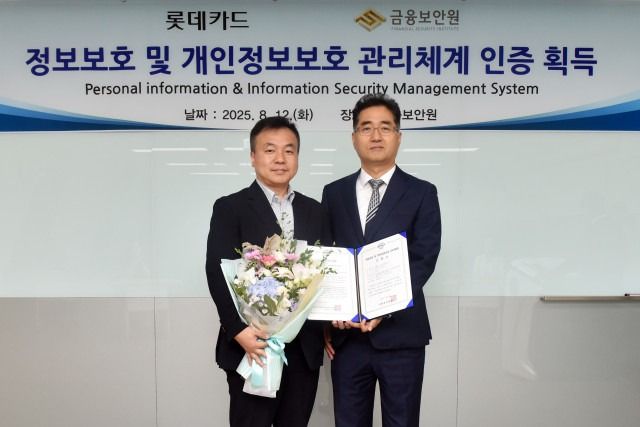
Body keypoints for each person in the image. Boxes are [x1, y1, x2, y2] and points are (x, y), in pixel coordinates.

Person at [321, 94, 442, 427]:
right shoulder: (334, 193)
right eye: (366, 128)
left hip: (401, 336)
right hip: (347, 339)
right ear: (354, 138)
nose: (376, 136)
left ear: (398, 136)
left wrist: (382, 307)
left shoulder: (422, 192)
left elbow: (424, 257)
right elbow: (325, 257)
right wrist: (329, 316)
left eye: (385, 128)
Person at [205, 116, 329, 427]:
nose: (280, 159)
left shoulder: (316, 211)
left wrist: (332, 326)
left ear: (297, 157)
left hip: (302, 350)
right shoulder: (230, 207)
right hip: (252, 346)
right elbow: (217, 271)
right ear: (253, 156)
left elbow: (325, 272)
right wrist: (239, 331)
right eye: (270, 150)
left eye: (289, 150)